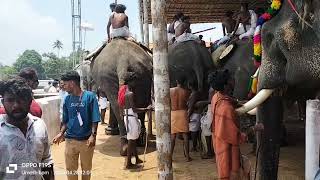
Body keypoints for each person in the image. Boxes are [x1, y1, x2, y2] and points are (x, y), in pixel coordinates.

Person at [0, 77, 54, 180]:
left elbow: (46, 161)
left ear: (30, 101)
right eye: (10, 100)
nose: (16, 105)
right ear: (3, 102)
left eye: (21, 99)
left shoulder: (39, 125)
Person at [52, 71, 100, 180]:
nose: (63, 87)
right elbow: (65, 120)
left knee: (86, 170)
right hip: (70, 141)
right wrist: (61, 133)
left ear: (72, 83)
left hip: (86, 141)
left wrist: (93, 135)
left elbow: (95, 118)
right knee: (71, 170)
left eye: (64, 84)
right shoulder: (67, 99)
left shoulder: (90, 97)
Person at [209, 69, 246, 179]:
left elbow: (229, 100)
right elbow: (235, 136)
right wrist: (254, 129)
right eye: (231, 79)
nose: (233, 79)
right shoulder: (226, 108)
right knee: (230, 173)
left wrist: (238, 103)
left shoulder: (217, 96)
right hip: (227, 149)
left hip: (219, 144)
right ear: (226, 85)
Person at [120, 73, 152, 169]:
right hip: (131, 118)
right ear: (130, 82)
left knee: (133, 140)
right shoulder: (130, 94)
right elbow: (134, 109)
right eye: (134, 81)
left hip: (129, 117)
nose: (136, 83)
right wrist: (146, 109)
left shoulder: (127, 93)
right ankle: (129, 163)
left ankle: (136, 158)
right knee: (131, 141)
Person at [170, 77, 192, 162]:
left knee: (173, 136)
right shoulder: (186, 91)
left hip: (173, 113)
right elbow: (188, 103)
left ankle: (170, 156)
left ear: (176, 81)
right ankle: (187, 157)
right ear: (184, 82)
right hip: (183, 112)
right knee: (185, 135)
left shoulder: (170, 91)